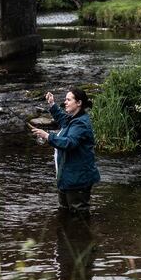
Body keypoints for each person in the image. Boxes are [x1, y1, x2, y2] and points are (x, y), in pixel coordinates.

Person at [31, 88, 100, 216]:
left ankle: (82, 236)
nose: (65, 102)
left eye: (68, 100)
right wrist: (52, 104)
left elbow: (69, 143)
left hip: (78, 180)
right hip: (67, 178)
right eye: (65, 100)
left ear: (78, 103)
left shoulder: (81, 123)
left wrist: (48, 136)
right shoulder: (73, 119)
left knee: (79, 217)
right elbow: (63, 119)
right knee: (64, 213)